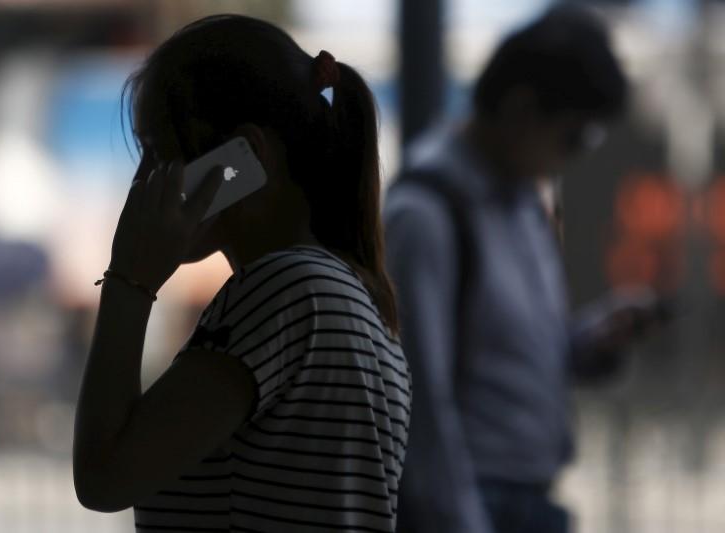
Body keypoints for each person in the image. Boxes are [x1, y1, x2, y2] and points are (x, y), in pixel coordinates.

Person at [72, 14, 411, 532]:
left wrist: (129, 281)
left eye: (159, 153)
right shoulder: (343, 295)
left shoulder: (285, 293)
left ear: (242, 160)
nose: (144, 184)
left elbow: (103, 478)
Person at [384, 6, 666, 533]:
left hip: (524, 497)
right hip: (473, 502)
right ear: (520, 108)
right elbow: (420, 403)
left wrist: (588, 342)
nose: (575, 157)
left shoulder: (519, 201)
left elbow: (505, 359)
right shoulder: (429, 213)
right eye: (574, 137)